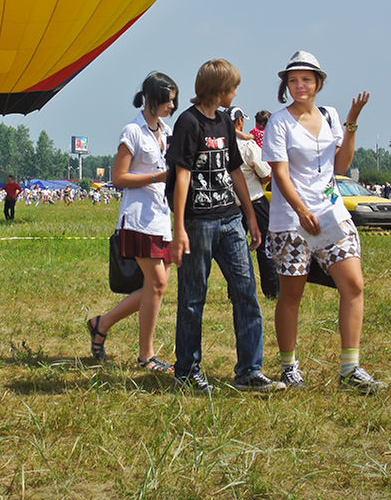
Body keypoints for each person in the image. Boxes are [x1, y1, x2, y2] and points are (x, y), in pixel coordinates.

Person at [261, 50, 385, 392]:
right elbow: (280, 174)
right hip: (292, 220)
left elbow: (340, 166)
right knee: (291, 294)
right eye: (293, 80)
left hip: (331, 214)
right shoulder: (279, 122)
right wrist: (302, 210)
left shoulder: (330, 116)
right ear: (286, 85)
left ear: (318, 83)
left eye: (306, 79)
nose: (299, 85)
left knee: (354, 285)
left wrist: (351, 122)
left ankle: (350, 369)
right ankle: (289, 367)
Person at [166, 59, 284, 394]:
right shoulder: (188, 123)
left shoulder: (223, 123)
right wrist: (179, 230)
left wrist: (249, 215)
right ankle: (187, 371)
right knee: (192, 299)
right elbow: (182, 177)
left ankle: (249, 371)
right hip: (197, 223)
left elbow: (235, 172)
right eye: (232, 88)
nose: (235, 93)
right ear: (219, 90)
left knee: (246, 292)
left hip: (230, 220)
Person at [87, 71, 179, 375]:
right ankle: (146, 355)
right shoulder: (133, 131)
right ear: (153, 98)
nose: (171, 106)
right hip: (139, 217)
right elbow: (118, 178)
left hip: (161, 216)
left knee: (156, 287)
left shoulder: (166, 132)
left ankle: (102, 323)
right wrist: (158, 177)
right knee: (158, 284)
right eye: (168, 100)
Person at [230, 107, 279, 299]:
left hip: (232, 203)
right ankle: (272, 290)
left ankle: (235, 291)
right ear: (240, 121)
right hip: (255, 201)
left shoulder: (222, 146)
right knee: (265, 246)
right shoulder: (248, 146)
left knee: (235, 250)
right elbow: (266, 173)